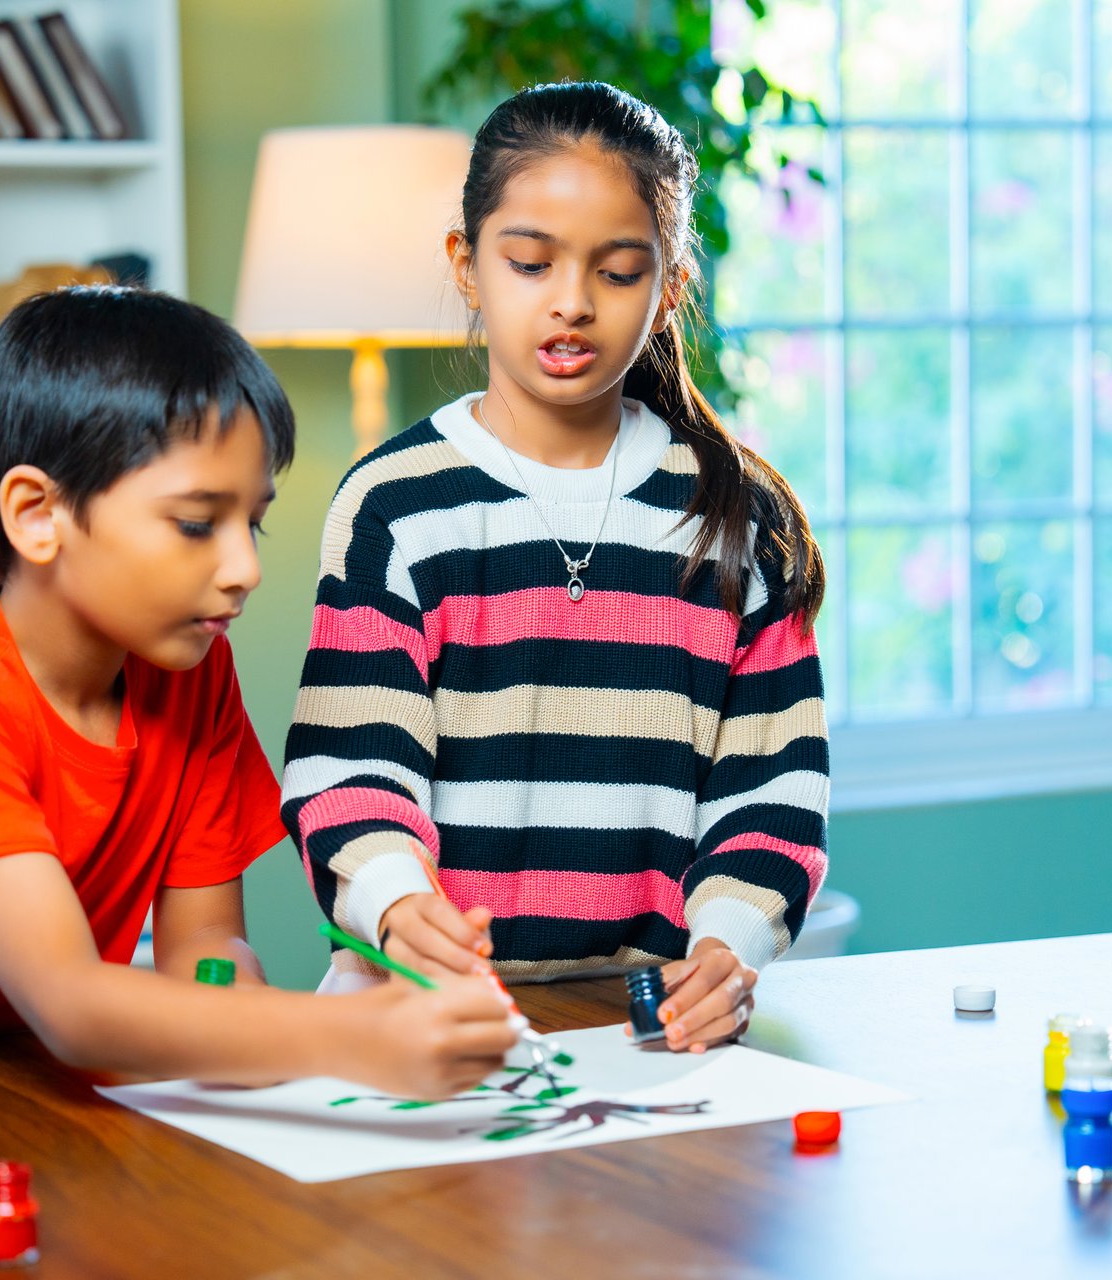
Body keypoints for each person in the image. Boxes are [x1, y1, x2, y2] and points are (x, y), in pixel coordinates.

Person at [0, 286, 514, 1097]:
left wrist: (258, 1021)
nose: (246, 570)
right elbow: (72, 1004)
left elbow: (208, 955)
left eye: (251, 522)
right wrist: (353, 1039)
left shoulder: (192, 673)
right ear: (37, 514)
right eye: (197, 523)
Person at [283, 83, 829, 1053]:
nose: (570, 302)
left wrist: (726, 949)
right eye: (530, 262)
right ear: (467, 264)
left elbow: (771, 794)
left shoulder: (741, 521)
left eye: (618, 272)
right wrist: (400, 907)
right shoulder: (393, 507)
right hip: (413, 1017)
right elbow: (352, 770)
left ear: (668, 288)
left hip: (649, 1034)